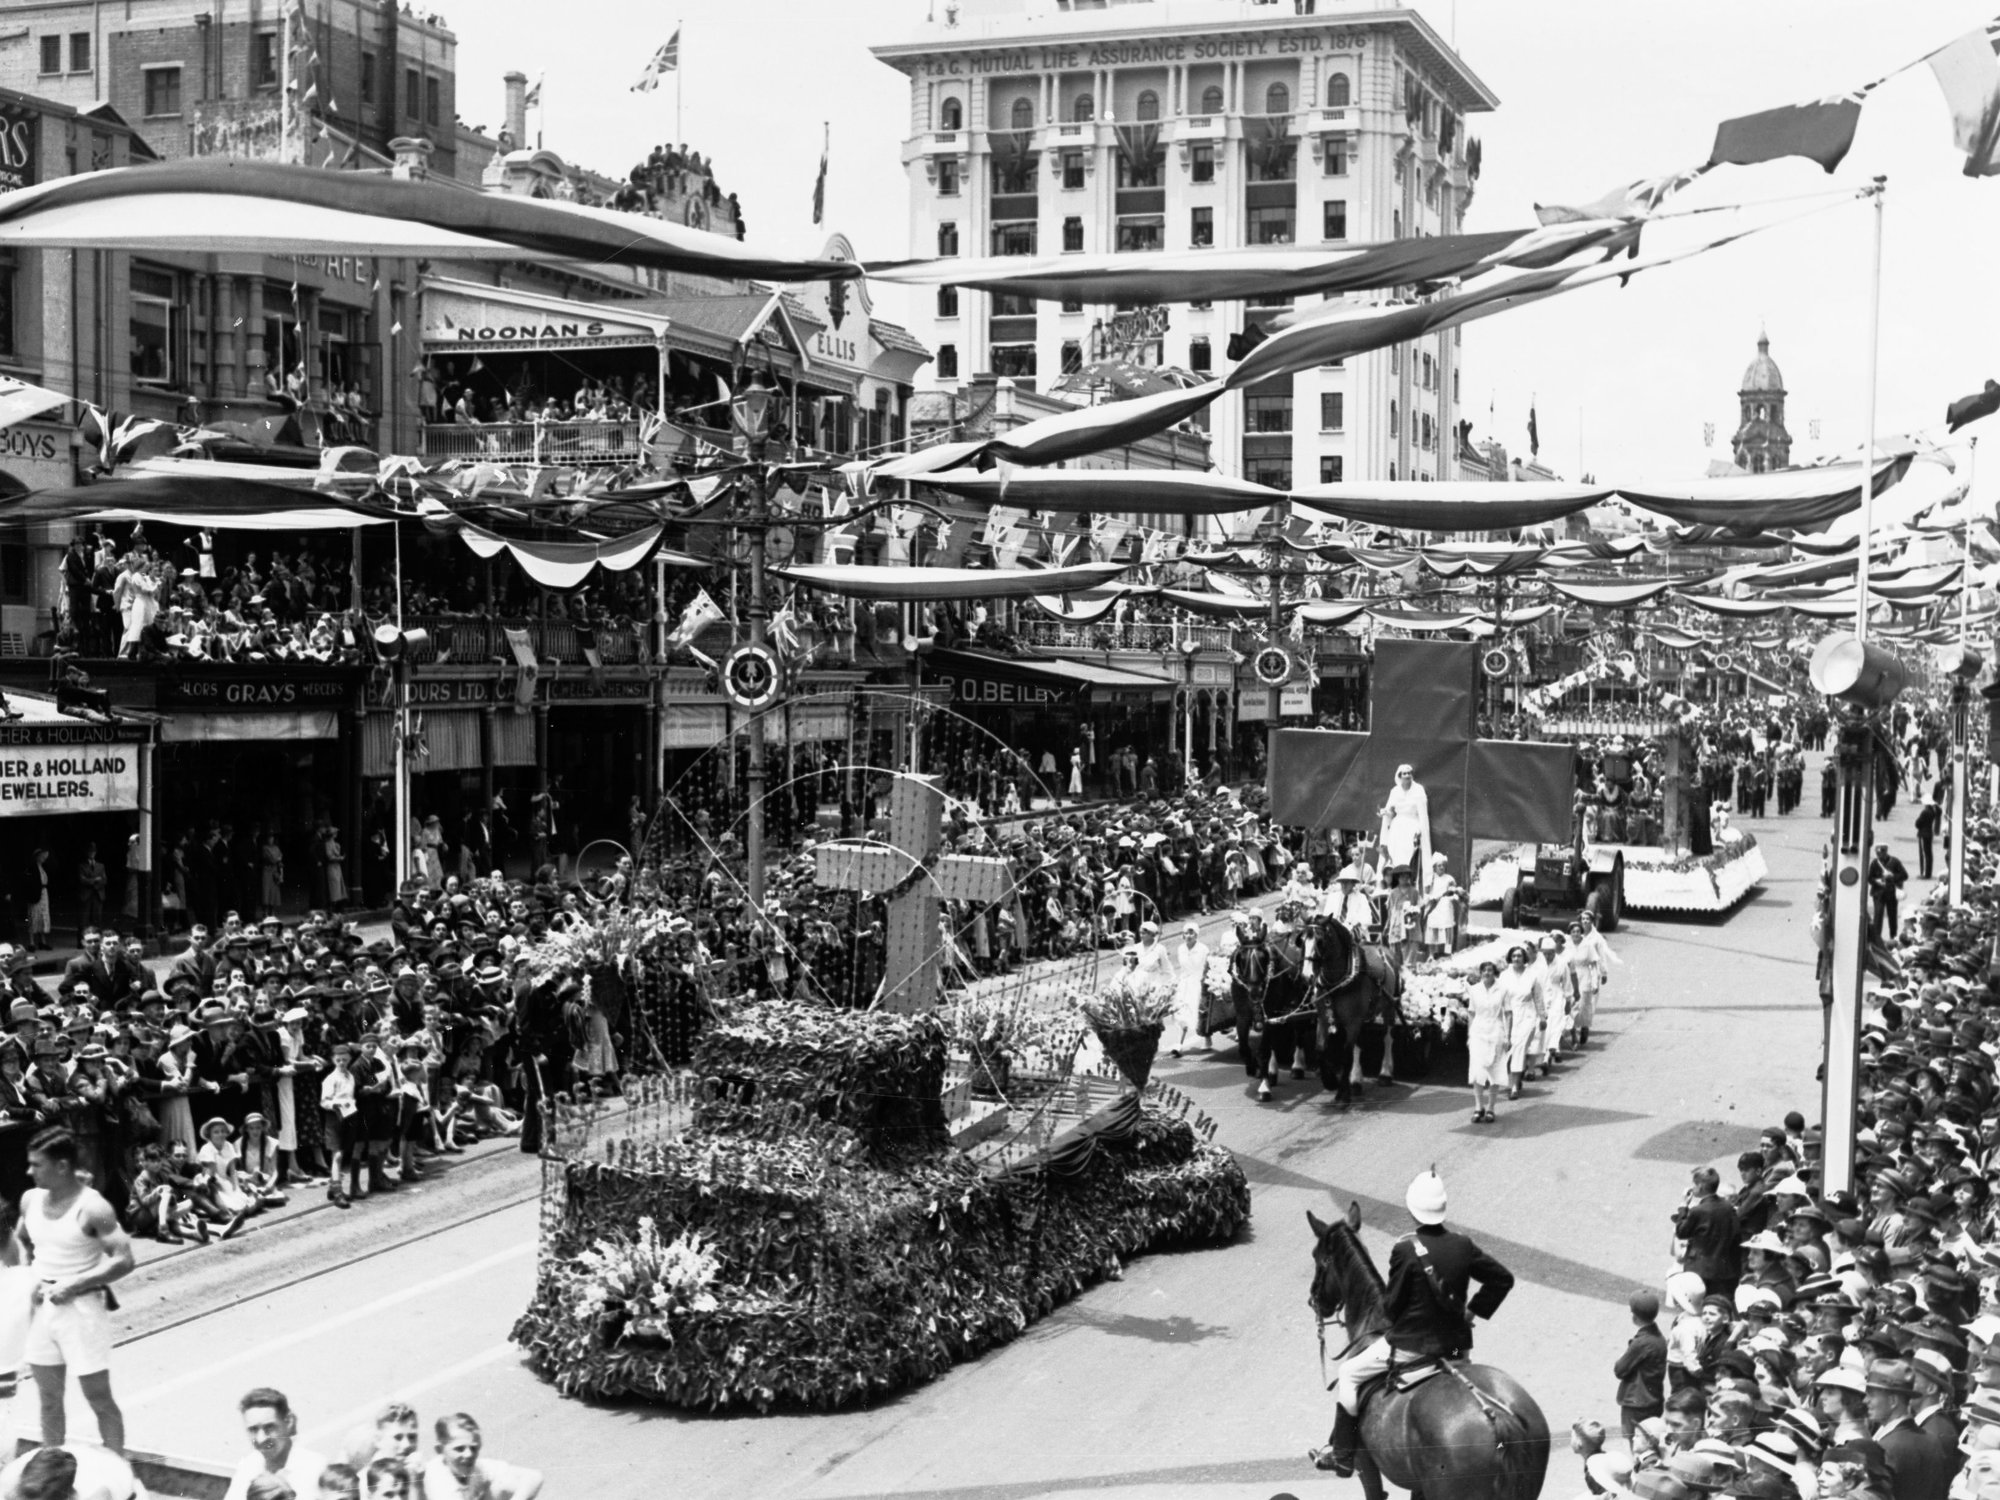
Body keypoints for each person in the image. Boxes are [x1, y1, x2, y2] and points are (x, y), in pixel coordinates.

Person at [1315, 1170, 1514, 1476]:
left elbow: (1392, 1309)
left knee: (1349, 1374)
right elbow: (1502, 1279)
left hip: (1412, 1348)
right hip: (1457, 1349)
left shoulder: (1405, 1249)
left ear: (1412, 1209)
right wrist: (1472, 1312)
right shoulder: (1463, 1244)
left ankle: (1342, 1454)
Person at [16, 1127, 135, 1455]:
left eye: (36, 1165)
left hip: (82, 1311)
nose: (29, 1171)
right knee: (49, 1400)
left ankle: (118, 1469)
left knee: (98, 1398)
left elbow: (125, 1259)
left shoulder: (93, 1208)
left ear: (62, 1167)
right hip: (42, 1312)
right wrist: (29, 1279)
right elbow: (22, 1244)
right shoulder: (30, 1200)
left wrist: (74, 1284)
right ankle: (52, 1474)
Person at [1866, 1358, 1952, 1500]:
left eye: (1872, 1395)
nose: (1865, 1400)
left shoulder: (1885, 1449)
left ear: (1893, 1401)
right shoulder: (1932, 1441)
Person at [224, 1388, 328, 1500]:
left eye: (269, 1427)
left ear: (288, 1422)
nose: (261, 1439)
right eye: (253, 1430)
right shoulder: (248, 1465)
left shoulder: (317, 1469)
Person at [421, 1413, 542, 1500]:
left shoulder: (474, 1468)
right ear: (439, 1450)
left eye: (473, 1448)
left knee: (502, 1485)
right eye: (459, 1449)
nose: (469, 1454)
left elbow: (535, 1477)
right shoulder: (438, 1483)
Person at [1615, 1289, 1668, 1440]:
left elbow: (1619, 1370)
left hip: (1636, 1403)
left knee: (1632, 1441)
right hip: (1654, 1399)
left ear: (1635, 1316)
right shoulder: (1659, 1338)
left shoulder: (1641, 1342)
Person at [1463, 958, 1510, 1124]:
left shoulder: (1503, 989)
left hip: (1496, 1031)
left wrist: (1507, 1036)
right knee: (1477, 1070)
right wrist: (1470, 1034)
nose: (1487, 973)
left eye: (1490, 970)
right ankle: (1478, 1106)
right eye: (1484, 971)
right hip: (1478, 1031)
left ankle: (1491, 1107)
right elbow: (1471, 1012)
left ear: (1494, 972)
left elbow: (1508, 1013)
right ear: (1480, 973)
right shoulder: (1474, 990)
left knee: (1494, 1070)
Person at [1377, 763, 1431, 878]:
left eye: (1409, 773)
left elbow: (1422, 813)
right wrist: (1386, 813)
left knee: (1409, 851)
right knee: (1395, 850)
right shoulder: (1395, 791)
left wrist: (1420, 829)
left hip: (1412, 823)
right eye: (1404, 773)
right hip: (1397, 825)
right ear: (1400, 776)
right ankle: (1396, 876)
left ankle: (1408, 876)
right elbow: (1391, 812)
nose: (1407, 775)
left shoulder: (1418, 790)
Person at [1168, 921, 1209, 1057]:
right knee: (1181, 1014)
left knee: (1198, 1013)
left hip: (1197, 983)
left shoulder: (1203, 949)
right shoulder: (1181, 948)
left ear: (1196, 935)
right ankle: (1179, 1045)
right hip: (1184, 984)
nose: (1188, 936)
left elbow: (1204, 967)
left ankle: (1206, 1037)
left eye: (1191, 933)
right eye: (1186, 933)